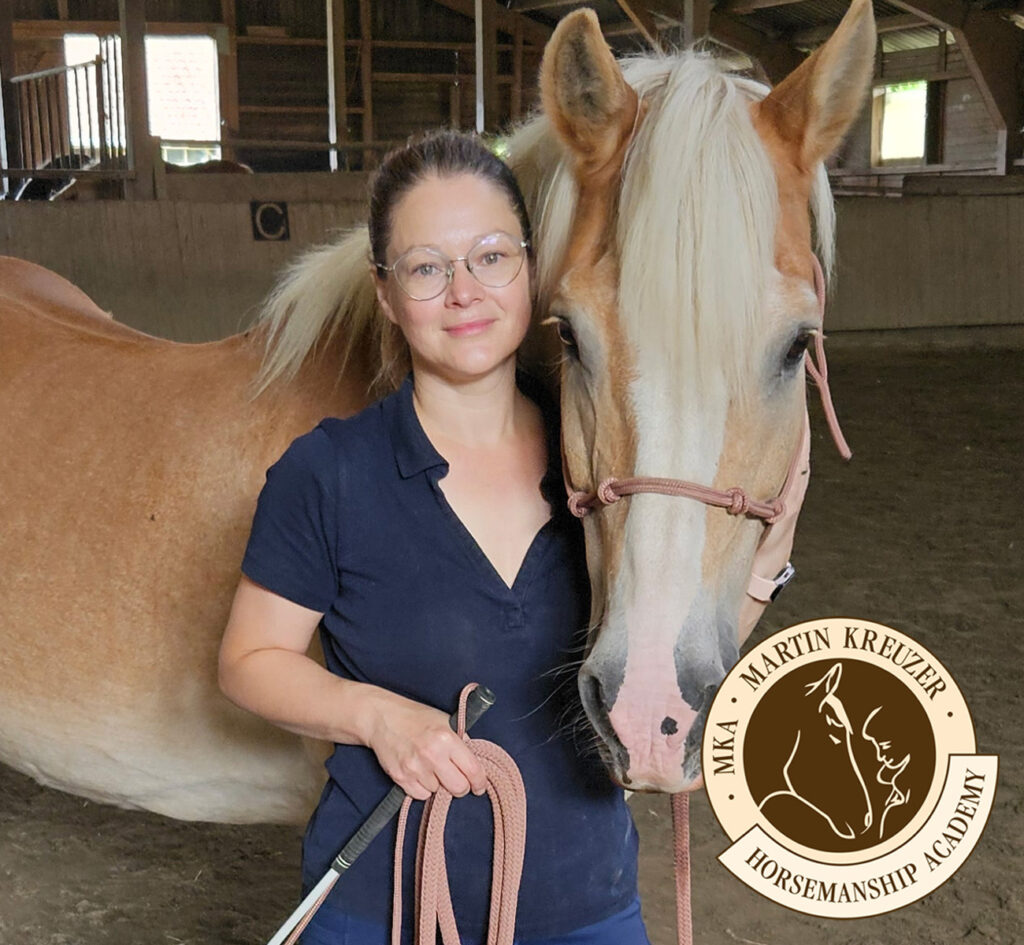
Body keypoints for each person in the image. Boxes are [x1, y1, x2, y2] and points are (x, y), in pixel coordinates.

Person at [218, 130, 647, 945]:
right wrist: (378, 716)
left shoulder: (604, 459)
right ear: (385, 293)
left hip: (588, 903)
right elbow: (248, 660)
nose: (464, 292)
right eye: (426, 268)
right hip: (380, 907)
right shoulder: (328, 473)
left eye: (491, 256)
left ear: (530, 268)